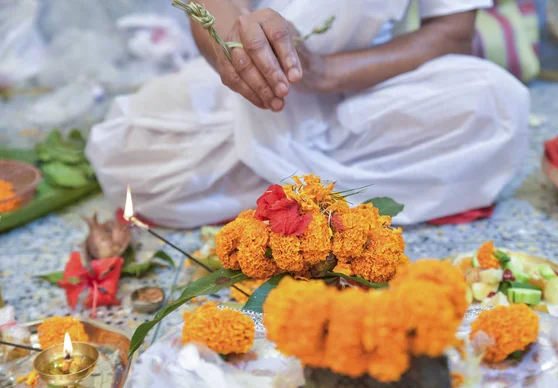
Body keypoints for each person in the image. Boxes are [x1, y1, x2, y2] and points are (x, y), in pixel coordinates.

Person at [86, 0, 530, 228]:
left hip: (366, 92)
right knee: (123, 153)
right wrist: (238, 50)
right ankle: (321, 188)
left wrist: (323, 72)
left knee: (497, 104)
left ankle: (275, 190)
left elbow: (451, 33)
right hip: (248, 96)